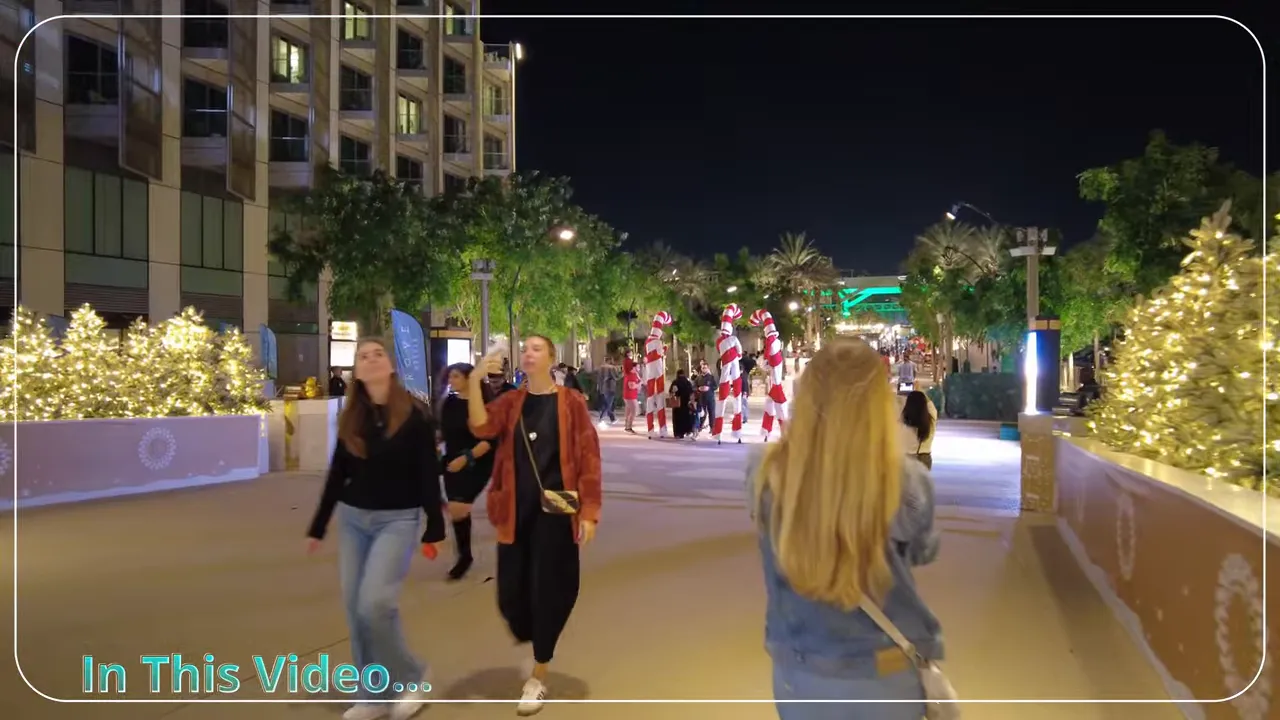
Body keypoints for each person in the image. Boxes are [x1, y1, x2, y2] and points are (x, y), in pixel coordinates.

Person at [749, 338, 942, 720]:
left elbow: (767, 526)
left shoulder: (765, 473)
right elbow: (923, 550)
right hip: (884, 674)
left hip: (798, 672)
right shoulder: (908, 482)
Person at [307, 337, 446, 720]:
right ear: (357, 370)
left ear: (390, 366)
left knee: (375, 603)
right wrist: (319, 524)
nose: (370, 360)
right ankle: (375, 693)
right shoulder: (353, 416)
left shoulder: (414, 415)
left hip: (398, 519)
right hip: (354, 519)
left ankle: (412, 674)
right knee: (355, 609)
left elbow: (427, 473)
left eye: (377, 354)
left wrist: (435, 525)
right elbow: (339, 473)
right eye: (362, 356)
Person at [465, 336, 602, 715]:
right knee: (510, 594)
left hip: (557, 506)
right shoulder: (511, 402)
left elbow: (589, 457)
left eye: (537, 348)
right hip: (514, 506)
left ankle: (539, 672)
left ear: (552, 359)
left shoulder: (570, 402)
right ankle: (536, 635)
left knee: (549, 588)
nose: (528, 353)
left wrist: (589, 510)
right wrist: (476, 377)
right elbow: (480, 426)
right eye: (525, 348)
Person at [436, 363, 497, 580]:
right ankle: (464, 554)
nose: (451, 381)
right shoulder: (449, 403)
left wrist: (466, 458)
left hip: (478, 460)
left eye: (456, 376)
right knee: (456, 509)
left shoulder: (483, 404)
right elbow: (443, 431)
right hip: (452, 459)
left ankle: (464, 558)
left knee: (458, 506)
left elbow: (489, 440)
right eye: (450, 376)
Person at [900, 390, 938, 470]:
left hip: (907, 459)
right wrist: (920, 390)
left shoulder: (902, 424)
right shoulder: (931, 420)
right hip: (925, 458)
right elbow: (930, 403)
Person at [668, 368, 696, 440]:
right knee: (686, 417)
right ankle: (687, 431)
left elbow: (671, 391)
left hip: (677, 404)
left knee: (677, 419)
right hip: (686, 404)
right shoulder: (687, 382)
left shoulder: (675, 382)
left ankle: (678, 433)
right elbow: (691, 392)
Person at [694, 360, 717, 438]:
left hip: (710, 398)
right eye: (703, 368)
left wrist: (709, 388)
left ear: (708, 368)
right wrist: (699, 388)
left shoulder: (711, 377)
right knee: (702, 414)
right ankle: (699, 427)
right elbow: (694, 386)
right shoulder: (698, 378)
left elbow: (715, 386)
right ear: (701, 369)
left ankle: (712, 428)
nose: (704, 369)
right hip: (701, 398)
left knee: (712, 413)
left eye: (705, 368)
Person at [595, 357, 620, 424]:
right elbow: (617, 377)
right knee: (608, 404)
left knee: (607, 403)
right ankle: (602, 418)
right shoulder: (612, 368)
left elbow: (598, 378)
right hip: (610, 387)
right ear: (610, 360)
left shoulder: (600, 368)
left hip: (603, 387)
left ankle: (612, 419)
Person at [622, 359, 642, 434]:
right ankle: (629, 427)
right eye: (638, 367)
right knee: (634, 411)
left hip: (630, 395)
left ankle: (627, 425)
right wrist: (639, 384)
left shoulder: (634, 374)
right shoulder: (631, 375)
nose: (639, 368)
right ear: (633, 368)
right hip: (630, 396)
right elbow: (632, 386)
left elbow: (638, 382)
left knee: (628, 411)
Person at [739, 351, 757, 423]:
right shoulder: (742, 373)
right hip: (741, 389)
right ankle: (742, 417)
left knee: (744, 403)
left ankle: (744, 417)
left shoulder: (744, 372)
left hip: (744, 389)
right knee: (741, 404)